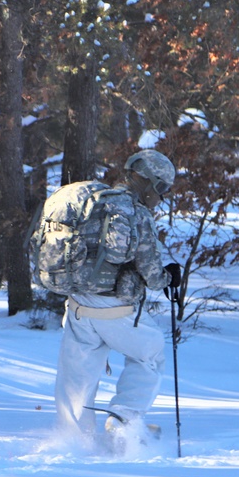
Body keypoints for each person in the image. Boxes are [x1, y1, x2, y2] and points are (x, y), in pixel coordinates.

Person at [53, 149, 181, 438]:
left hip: (76, 305)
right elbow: (151, 272)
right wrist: (168, 277)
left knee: (78, 374)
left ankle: (73, 438)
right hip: (115, 310)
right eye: (161, 188)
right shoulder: (135, 212)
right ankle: (123, 422)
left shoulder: (93, 203)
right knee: (151, 352)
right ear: (148, 182)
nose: (160, 196)